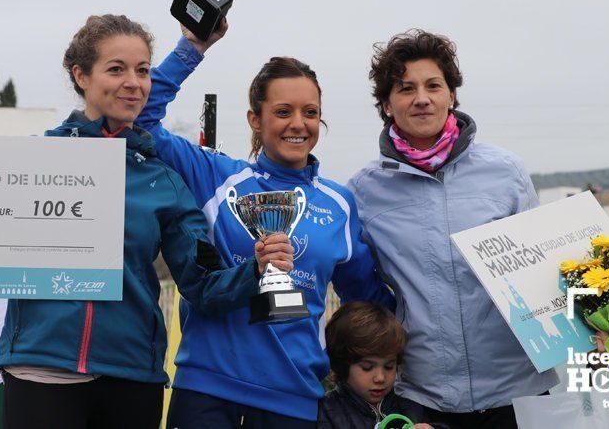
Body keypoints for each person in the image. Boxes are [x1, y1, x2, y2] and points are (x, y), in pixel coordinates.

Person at [0, 15, 294, 429]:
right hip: (42, 370)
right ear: (81, 75)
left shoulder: (163, 180)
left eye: (143, 70)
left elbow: (202, 285)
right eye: (116, 69)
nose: (133, 83)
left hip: (131, 376)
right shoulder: (34, 160)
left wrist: (255, 270)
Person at [135, 22, 395, 429]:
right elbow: (142, 119)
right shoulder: (215, 175)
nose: (298, 124)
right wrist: (193, 47)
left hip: (293, 399)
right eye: (282, 112)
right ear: (255, 119)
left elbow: (368, 302)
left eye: (310, 113)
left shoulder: (339, 203)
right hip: (207, 389)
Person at [348, 29, 557, 429]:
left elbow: (545, 273)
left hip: (519, 393)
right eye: (405, 88)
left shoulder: (506, 171)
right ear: (387, 105)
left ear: (452, 95)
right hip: (422, 399)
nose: (421, 98)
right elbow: (362, 291)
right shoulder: (362, 192)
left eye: (433, 85)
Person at [318, 301, 440, 429]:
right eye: (367, 367)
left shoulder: (409, 403)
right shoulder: (328, 411)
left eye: (389, 366)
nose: (380, 378)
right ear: (342, 364)